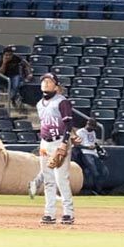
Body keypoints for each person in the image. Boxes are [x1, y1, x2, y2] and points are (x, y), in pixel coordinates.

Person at [36, 73, 74, 225]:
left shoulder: (62, 102)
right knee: (48, 180)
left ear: (56, 86)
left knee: (61, 179)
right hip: (45, 143)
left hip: (59, 141)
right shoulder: (39, 104)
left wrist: (64, 143)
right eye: (43, 81)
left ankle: (68, 213)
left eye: (49, 81)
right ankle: (49, 213)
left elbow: (69, 124)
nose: (45, 83)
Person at [75, 118, 108, 195]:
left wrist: (99, 148)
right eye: (92, 127)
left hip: (94, 153)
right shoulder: (80, 132)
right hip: (85, 153)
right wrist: (87, 147)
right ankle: (94, 190)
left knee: (104, 172)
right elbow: (76, 145)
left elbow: (94, 142)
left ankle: (98, 189)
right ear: (88, 124)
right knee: (94, 172)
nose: (93, 129)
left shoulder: (93, 132)